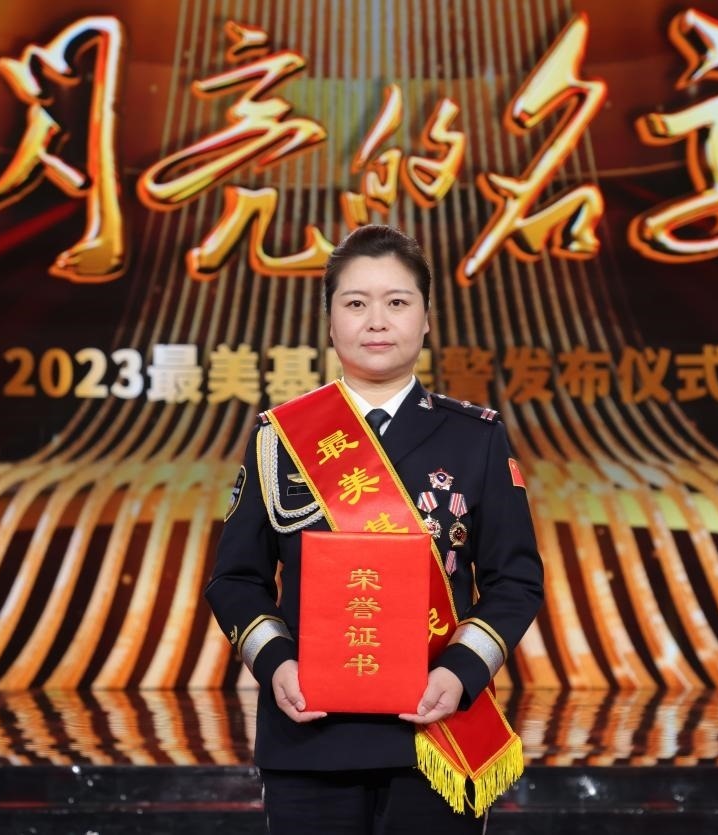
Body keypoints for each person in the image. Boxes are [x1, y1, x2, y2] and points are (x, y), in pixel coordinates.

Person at [204, 225, 543, 834]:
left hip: (436, 731)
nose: (377, 321)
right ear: (331, 322)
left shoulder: (476, 438)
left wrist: (460, 673)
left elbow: (514, 581)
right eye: (356, 303)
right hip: (309, 734)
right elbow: (235, 580)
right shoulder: (281, 438)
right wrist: (277, 665)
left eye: (397, 301)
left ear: (426, 319)